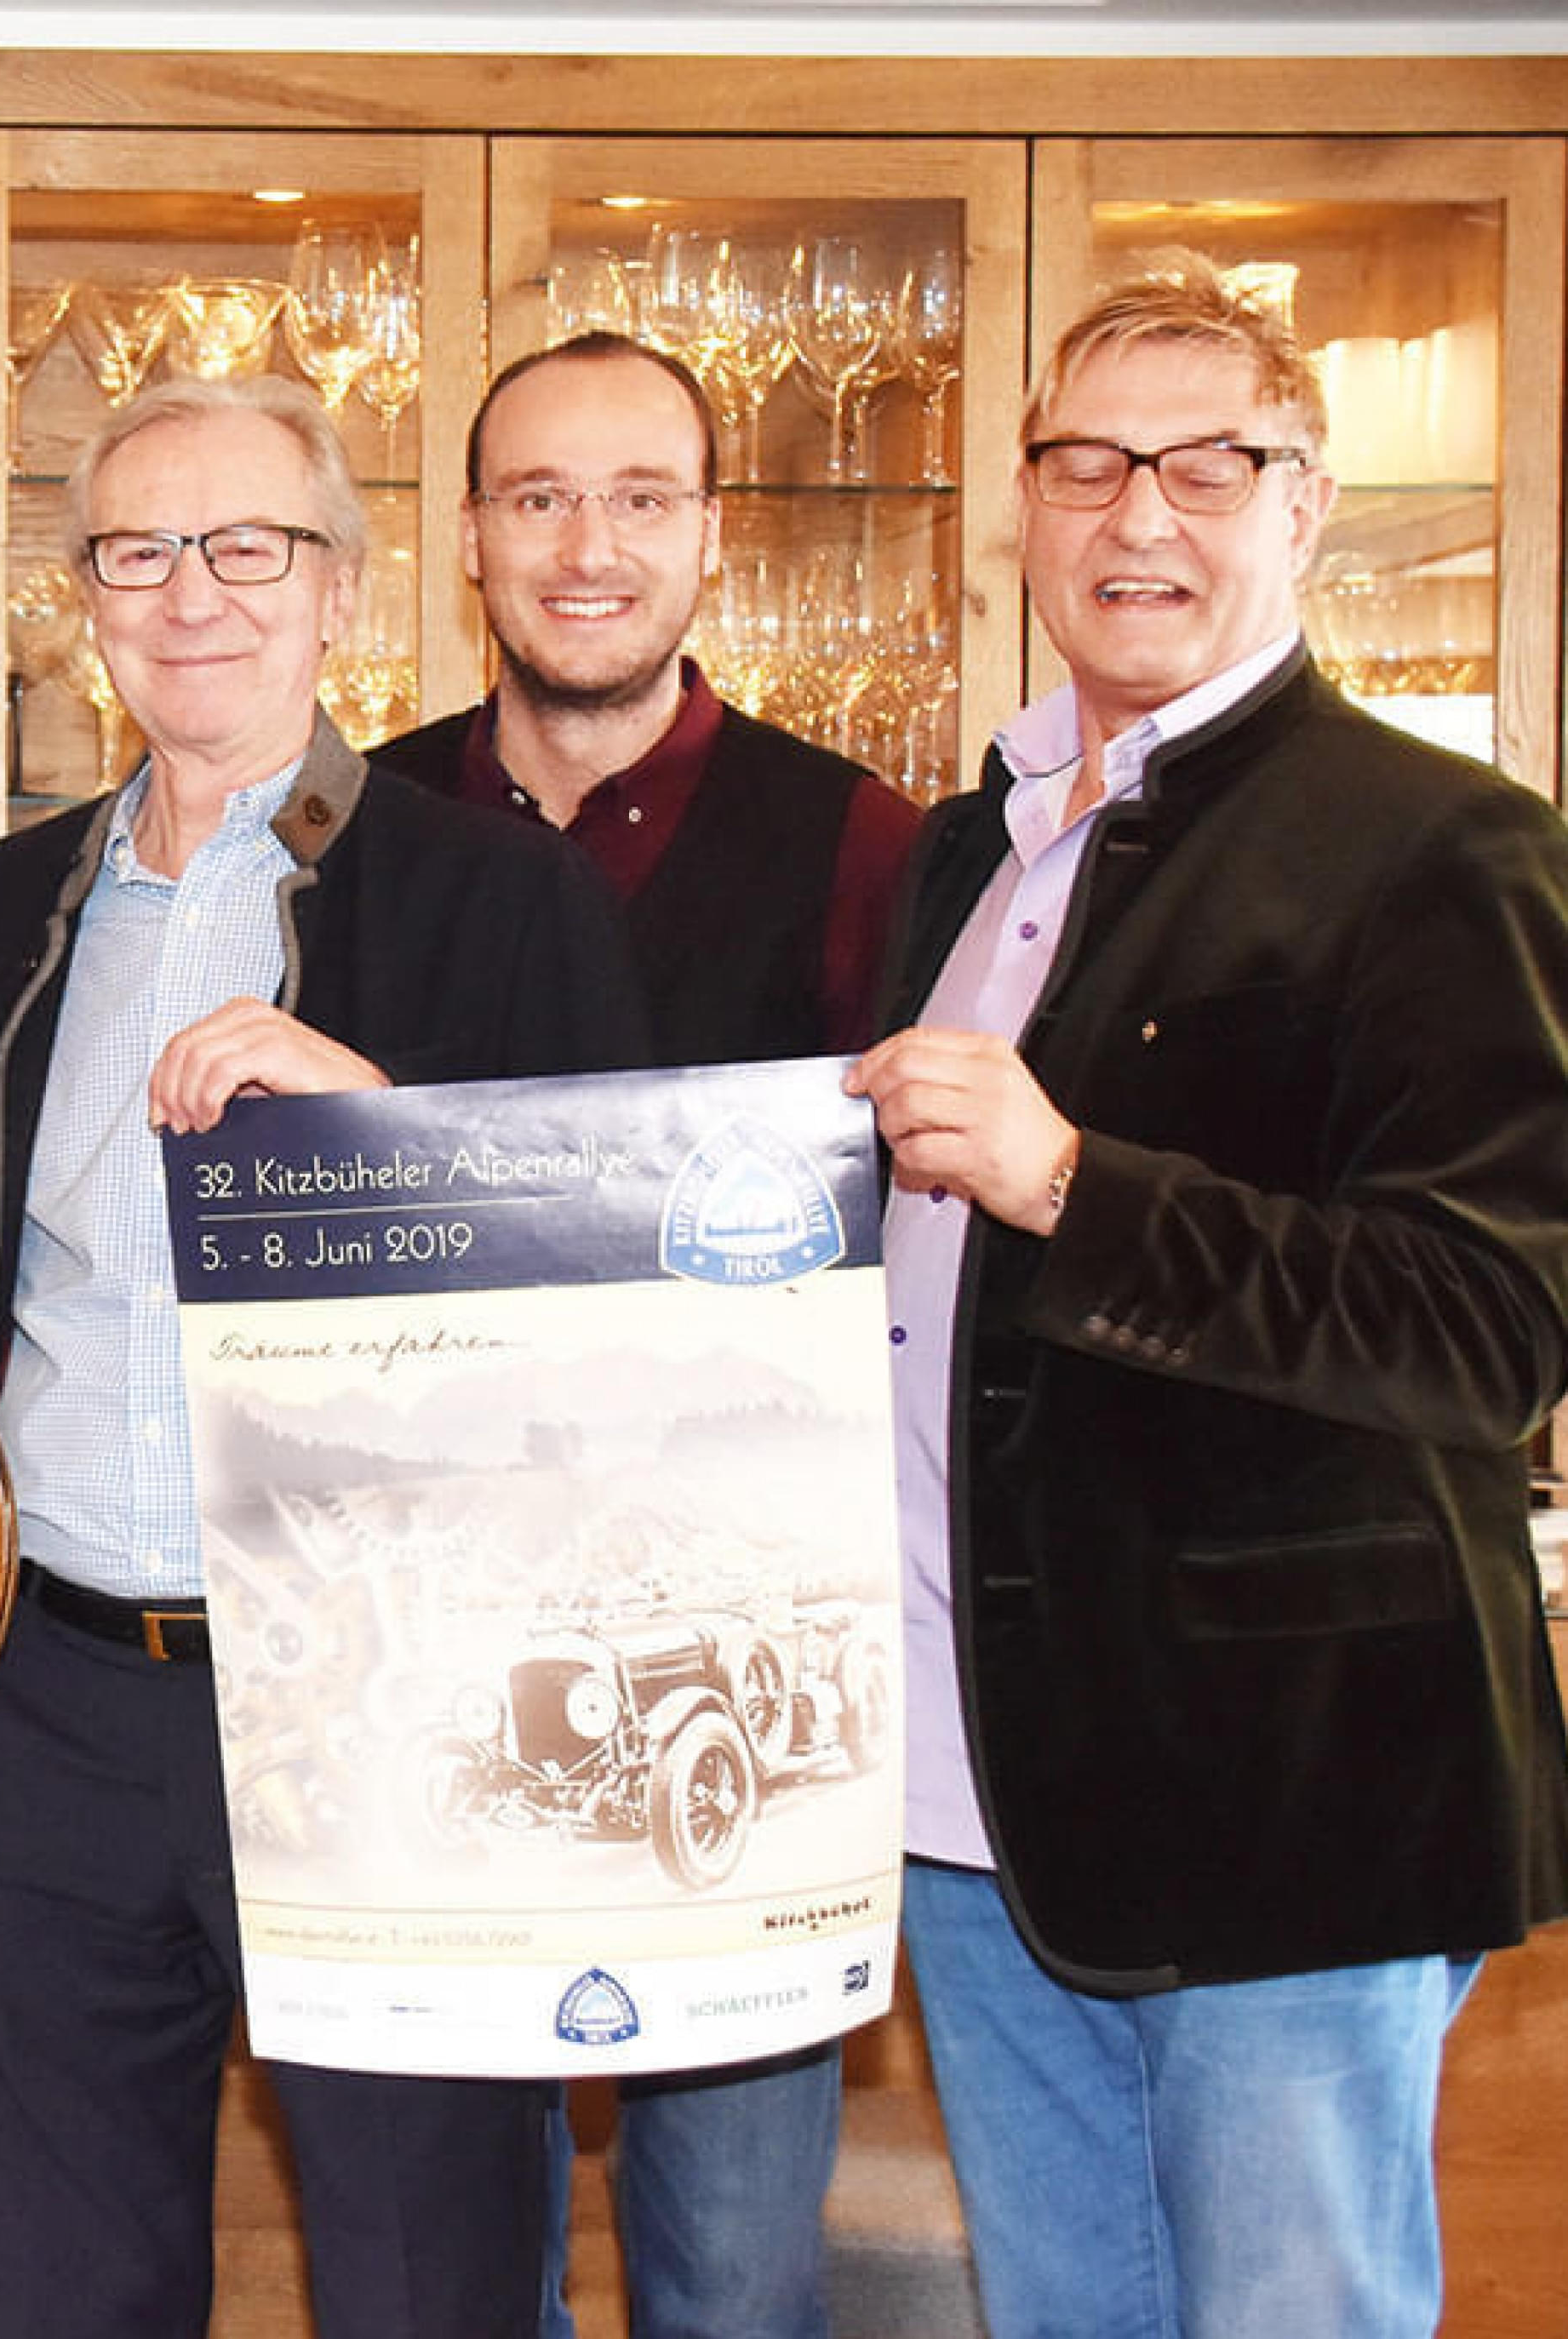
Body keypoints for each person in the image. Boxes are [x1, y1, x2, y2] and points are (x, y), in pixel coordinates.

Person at [0, 373, 644, 2339]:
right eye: (139, 551)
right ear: (86, 601)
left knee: (419, 2276)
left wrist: (372, 1120)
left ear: (343, 594)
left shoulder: (500, 900)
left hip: (387, 1706)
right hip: (50, 1704)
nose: (191, 593)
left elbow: (629, 1292)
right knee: (66, 2283)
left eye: (247, 547)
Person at [848, 257, 1568, 2337]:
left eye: (1203, 466)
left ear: (1304, 506)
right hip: (986, 1793)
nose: (1136, 516)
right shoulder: (968, 855)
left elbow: (1488, 1332)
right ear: (1024, 505)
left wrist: (1074, 1178)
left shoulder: (1444, 846)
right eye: (1086, 464)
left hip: (1288, 1808)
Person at [370, 330, 920, 2339]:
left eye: (638, 500)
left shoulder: (865, 842)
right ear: (468, 539)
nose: (585, 547)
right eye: (538, 498)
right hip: (428, 1677)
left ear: (710, 541)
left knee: (733, 2279)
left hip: (748, 1669)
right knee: (447, 2273)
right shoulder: (356, 835)